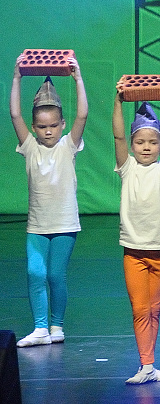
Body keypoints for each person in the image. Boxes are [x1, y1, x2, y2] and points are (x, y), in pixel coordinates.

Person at [10, 55, 88, 347]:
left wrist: (78, 79)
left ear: (62, 124)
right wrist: (17, 77)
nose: (48, 131)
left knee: (56, 275)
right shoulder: (30, 147)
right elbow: (15, 115)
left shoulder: (68, 146)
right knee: (35, 272)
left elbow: (82, 116)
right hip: (38, 226)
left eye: (54, 125)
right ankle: (40, 328)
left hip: (65, 224)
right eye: (42, 126)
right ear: (34, 127)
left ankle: (57, 326)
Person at [113, 89, 160, 384]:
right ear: (132, 145)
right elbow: (118, 136)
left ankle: (150, 366)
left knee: (154, 310)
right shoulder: (127, 168)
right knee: (140, 309)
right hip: (134, 252)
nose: (146, 147)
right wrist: (118, 103)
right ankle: (146, 365)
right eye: (140, 142)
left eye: (153, 142)